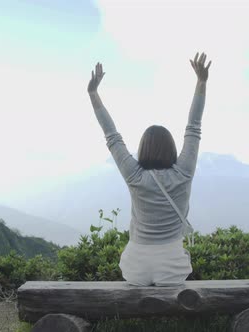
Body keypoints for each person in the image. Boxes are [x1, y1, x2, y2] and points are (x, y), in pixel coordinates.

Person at [87, 52, 211, 286]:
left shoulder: (134, 176)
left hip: (135, 270)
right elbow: (194, 127)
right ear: (172, 149)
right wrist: (201, 82)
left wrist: (93, 94)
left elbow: (111, 136)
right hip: (173, 270)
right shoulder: (183, 173)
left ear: (143, 149)